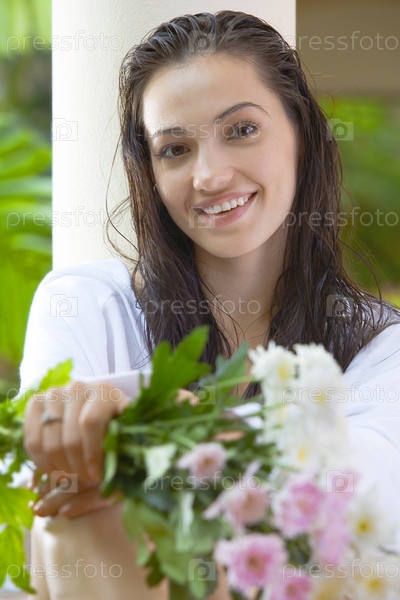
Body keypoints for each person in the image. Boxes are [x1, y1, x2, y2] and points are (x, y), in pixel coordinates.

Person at [19, 10, 400, 600]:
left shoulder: (382, 347)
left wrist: (155, 426)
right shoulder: (85, 305)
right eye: (174, 149)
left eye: (241, 130)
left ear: (302, 133)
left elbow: (360, 489)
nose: (210, 175)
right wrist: (78, 431)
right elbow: (37, 494)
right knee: (81, 504)